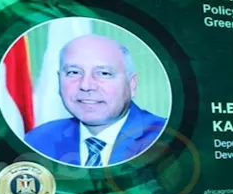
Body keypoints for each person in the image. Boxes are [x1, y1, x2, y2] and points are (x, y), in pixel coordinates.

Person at [24, 34, 167, 167]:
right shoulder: (37, 141)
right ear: (59, 80)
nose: (86, 86)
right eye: (74, 72)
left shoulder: (167, 139)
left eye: (104, 73)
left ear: (132, 85)